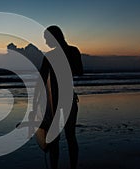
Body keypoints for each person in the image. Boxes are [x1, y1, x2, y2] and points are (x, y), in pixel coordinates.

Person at [35, 25, 83, 169]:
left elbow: (41, 81)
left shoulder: (55, 55)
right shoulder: (70, 51)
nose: (46, 42)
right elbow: (79, 71)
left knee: (62, 138)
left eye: (46, 38)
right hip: (64, 100)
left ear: (53, 37)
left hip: (59, 101)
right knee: (68, 137)